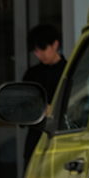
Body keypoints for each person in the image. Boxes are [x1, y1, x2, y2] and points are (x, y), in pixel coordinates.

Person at [22, 24, 66, 167]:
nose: (40, 54)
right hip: (35, 143)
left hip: (63, 142)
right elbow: (22, 108)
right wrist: (37, 109)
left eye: (43, 49)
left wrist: (55, 109)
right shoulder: (32, 74)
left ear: (55, 44)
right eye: (36, 51)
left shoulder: (69, 71)